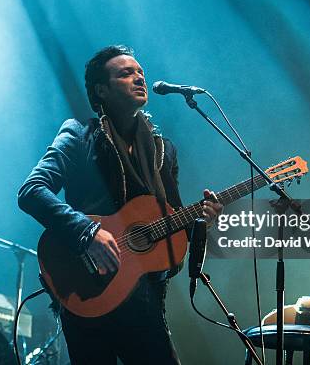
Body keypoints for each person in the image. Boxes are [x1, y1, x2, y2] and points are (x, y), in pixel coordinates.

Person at [18, 45, 222, 364]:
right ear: (102, 90)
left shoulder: (163, 152)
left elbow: (174, 223)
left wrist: (201, 222)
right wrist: (88, 231)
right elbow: (31, 190)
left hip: (144, 294)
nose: (139, 77)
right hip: (86, 285)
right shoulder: (78, 135)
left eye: (140, 72)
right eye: (126, 73)